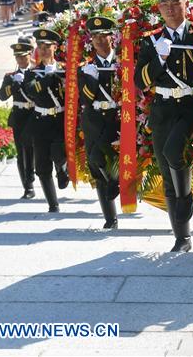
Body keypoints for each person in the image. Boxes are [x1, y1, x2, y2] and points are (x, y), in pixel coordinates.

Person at [135, 0, 193, 252]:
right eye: (165, 4)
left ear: (186, 4)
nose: (170, 9)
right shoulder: (151, 41)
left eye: (176, 3)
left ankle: (186, 199)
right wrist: (158, 59)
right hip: (163, 109)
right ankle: (182, 237)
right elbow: (140, 82)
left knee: (175, 152)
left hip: (189, 107)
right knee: (166, 170)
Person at [79, 16, 121, 230]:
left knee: (114, 160)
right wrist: (92, 80)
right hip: (94, 119)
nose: (98, 40)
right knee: (95, 162)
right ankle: (110, 217)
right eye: (94, 36)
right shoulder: (86, 67)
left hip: (117, 118)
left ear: (111, 37)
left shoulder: (123, 62)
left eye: (102, 35)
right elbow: (85, 100)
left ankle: (116, 181)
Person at [23, 28, 70, 213]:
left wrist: (58, 75)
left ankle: (62, 169)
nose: (43, 50)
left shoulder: (64, 69)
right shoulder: (32, 73)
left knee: (59, 152)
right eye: (40, 46)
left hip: (59, 119)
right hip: (40, 121)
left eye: (47, 46)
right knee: (41, 166)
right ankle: (53, 204)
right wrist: (48, 78)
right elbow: (32, 91)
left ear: (55, 47)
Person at [0, 38, 37, 199]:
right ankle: (28, 186)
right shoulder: (11, 76)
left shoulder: (36, 72)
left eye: (24, 56)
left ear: (30, 55)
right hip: (19, 116)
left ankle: (34, 173)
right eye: (18, 57)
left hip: (34, 114)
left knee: (34, 149)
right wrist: (12, 86)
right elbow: (1, 96)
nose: (21, 60)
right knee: (22, 152)